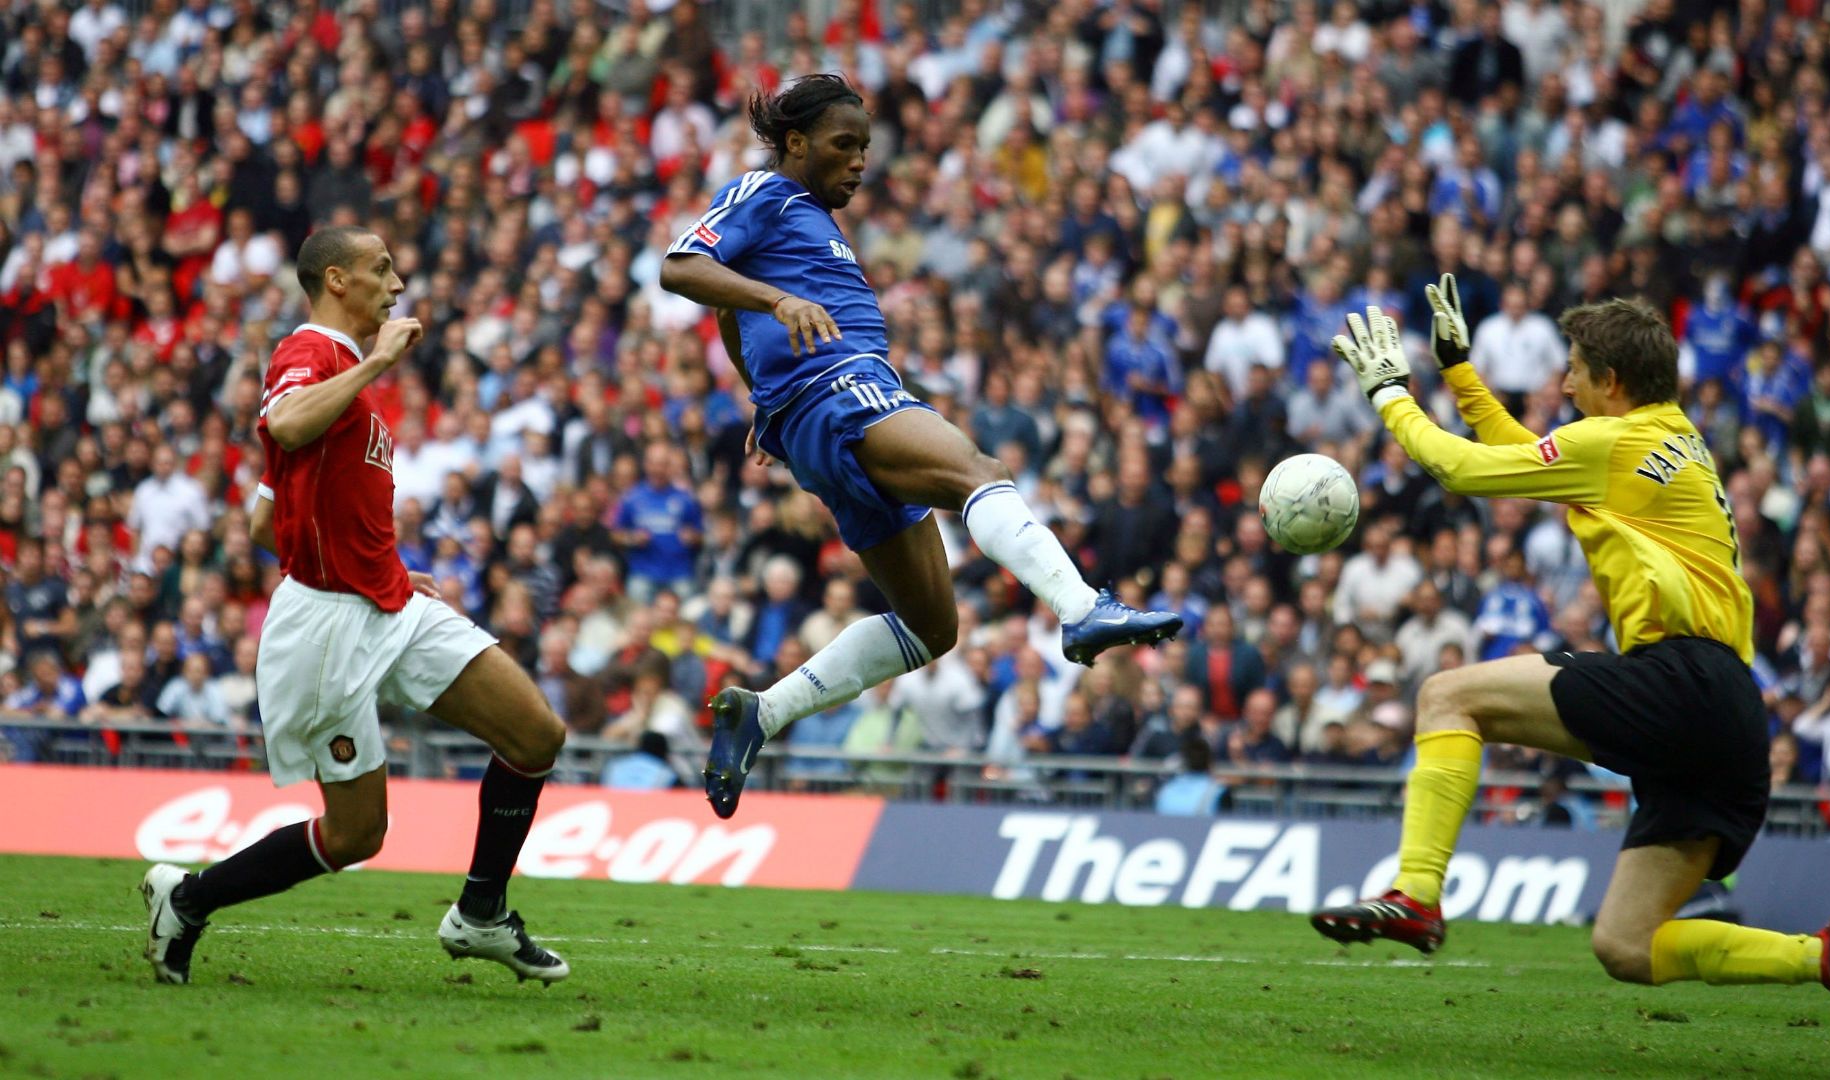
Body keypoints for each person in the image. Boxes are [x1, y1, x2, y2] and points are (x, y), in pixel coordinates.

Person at [1309, 277, 1830, 1021]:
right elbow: (1533, 456)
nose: (1564, 381)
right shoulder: (1671, 440)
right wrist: (1459, 372)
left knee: (1446, 697)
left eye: (1575, 369)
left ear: (1609, 382)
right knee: (1626, 945)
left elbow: (1458, 468)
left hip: (1678, 679)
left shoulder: (1613, 442)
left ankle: (1416, 894)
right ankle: (1825, 954)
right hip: (1731, 715)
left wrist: (1390, 391)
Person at [657, 75, 1180, 819]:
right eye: (844, 145)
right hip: (843, 393)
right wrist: (780, 309)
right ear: (796, 143)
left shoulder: (803, 218)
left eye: (866, 147)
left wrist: (762, 393)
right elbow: (681, 267)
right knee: (981, 472)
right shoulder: (765, 193)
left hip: (820, 409)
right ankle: (1081, 607)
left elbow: (726, 306)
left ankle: (761, 713)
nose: (860, 161)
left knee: (933, 627)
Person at [140, 227, 570, 987]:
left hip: (389, 601)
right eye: (383, 268)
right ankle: (189, 899)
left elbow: (258, 521)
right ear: (336, 280)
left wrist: (380, 564)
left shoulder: (343, 379)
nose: (398, 283)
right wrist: (376, 361)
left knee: (535, 734)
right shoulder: (311, 354)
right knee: (356, 833)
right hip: (327, 625)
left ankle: (480, 914)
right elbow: (289, 423)